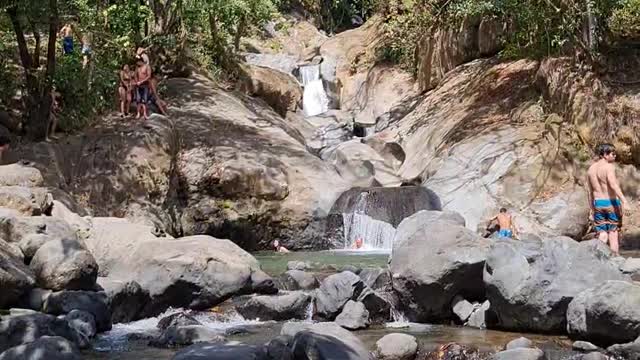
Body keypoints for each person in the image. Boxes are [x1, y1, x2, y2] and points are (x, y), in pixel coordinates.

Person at [587, 143, 629, 256]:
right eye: (613, 154)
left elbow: (590, 192)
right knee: (613, 232)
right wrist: (624, 201)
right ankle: (615, 258)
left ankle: (596, 257)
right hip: (611, 203)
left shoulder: (591, 169)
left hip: (598, 204)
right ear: (605, 155)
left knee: (602, 234)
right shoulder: (609, 167)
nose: (615, 156)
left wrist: (591, 209)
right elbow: (613, 185)